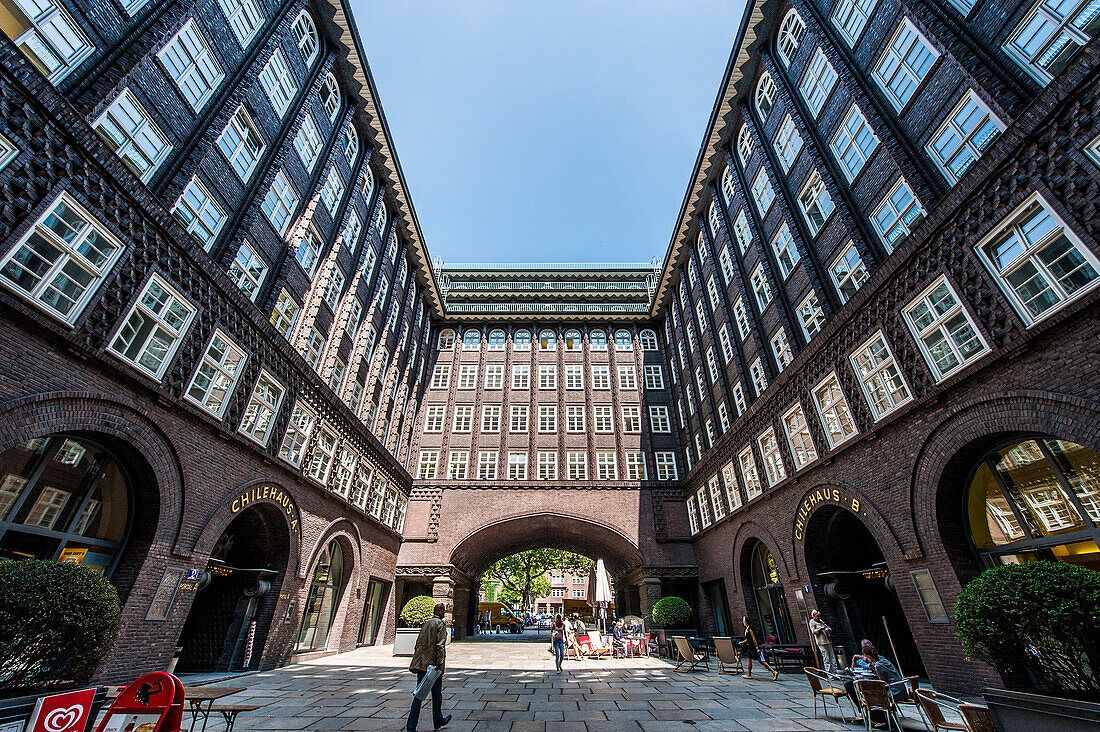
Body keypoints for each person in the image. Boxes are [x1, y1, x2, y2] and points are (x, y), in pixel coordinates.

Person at [406, 602, 451, 731]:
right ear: (440, 612)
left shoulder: (426, 623)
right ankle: (438, 720)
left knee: (419, 695)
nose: (445, 612)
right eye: (444, 610)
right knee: (436, 694)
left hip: (422, 664)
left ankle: (411, 726)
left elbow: (419, 643)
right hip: (433, 666)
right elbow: (440, 646)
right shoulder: (440, 624)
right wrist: (440, 663)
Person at [739, 616, 778, 681]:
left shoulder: (750, 629)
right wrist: (743, 642)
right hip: (751, 647)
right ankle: (773, 672)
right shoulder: (747, 629)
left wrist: (757, 648)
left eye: (743, 621)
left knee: (755, 660)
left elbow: (754, 638)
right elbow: (749, 638)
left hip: (753, 647)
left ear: (746, 621)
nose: (743, 622)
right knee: (758, 660)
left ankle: (749, 674)